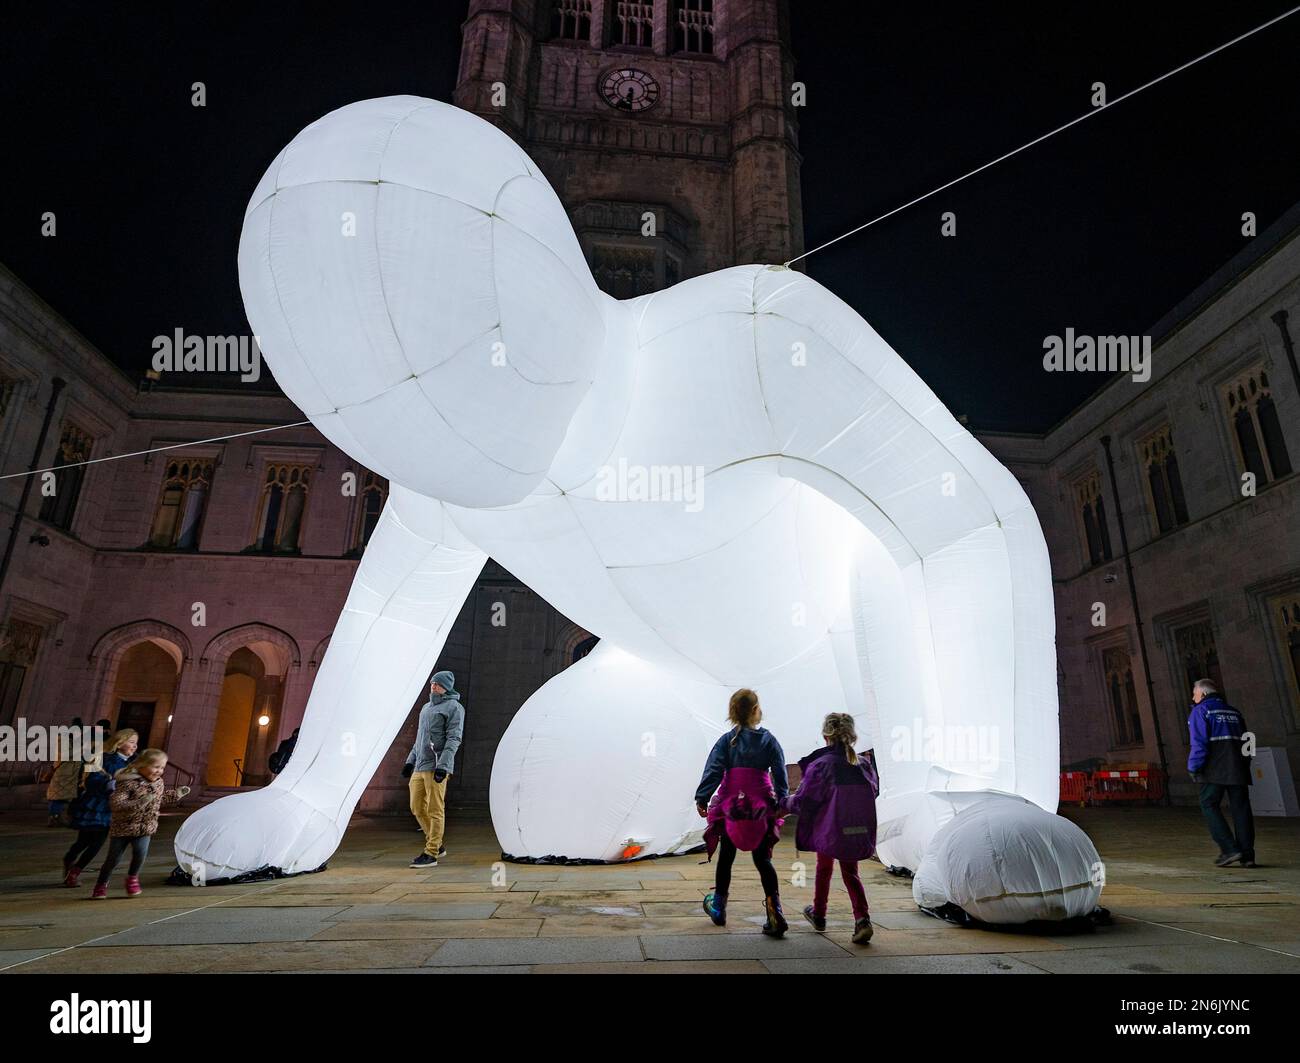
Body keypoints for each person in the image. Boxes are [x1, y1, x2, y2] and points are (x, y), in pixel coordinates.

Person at [695, 688, 789, 937]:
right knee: (763, 861)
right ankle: (774, 910)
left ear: (732, 713)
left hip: (731, 807)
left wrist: (702, 796)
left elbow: (714, 769)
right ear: (757, 711)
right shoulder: (769, 740)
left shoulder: (726, 741)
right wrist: (782, 800)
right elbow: (780, 773)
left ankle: (718, 908)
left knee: (726, 857)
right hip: (760, 807)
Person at [783, 713, 878, 945]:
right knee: (850, 873)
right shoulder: (863, 765)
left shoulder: (822, 765)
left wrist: (781, 804)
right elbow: (873, 791)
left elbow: (804, 800)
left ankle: (819, 913)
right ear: (852, 736)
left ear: (825, 736)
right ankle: (862, 918)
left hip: (829, 828)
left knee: (823, 867)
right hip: (855, 830)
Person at [91, 748, 189, 898]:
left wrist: (176, 794)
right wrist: (140, 802)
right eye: (156, 767)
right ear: (142, 765)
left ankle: (132, 878)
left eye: (162, 767)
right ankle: (101, 884)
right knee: (113, 859)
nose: (159, 771)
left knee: (140, 854)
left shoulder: (158, 783)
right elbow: (117, 804)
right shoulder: (127, 782)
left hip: (145, 827)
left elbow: (158, 799)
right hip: (123, 827)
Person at [1188, 678, 1255, 868]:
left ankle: (1229, 849)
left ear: (1203, 693)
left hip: (1214, 768)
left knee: (1208, 803)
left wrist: (1194, 766)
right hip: (1238, 768)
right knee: (1241, 809)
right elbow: (1249, 741)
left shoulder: (1201, 711)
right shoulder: (1234, 712)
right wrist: (1246, 763)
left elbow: (1199, 742)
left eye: (1194, 693)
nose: (1193, 697)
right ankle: (1248, 855)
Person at [402, 670, 464, 868]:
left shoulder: (454, 707)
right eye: (432, 683)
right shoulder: (426, 708)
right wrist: (409, 762)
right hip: (420, 765)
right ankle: (437, 843)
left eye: (437, 684)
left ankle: (431, 852)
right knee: (416, 806)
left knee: (435, 809)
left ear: (446, 686)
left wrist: (443, 766)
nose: (433, 686)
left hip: (436, 766)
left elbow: (454, 738)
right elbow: (419, 740)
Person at [62, 728, 138, 887]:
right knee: (83, 841)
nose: (134, 746)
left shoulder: (133, 763)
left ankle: (75, 871)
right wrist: (107, 784)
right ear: (119, 743)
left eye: (136, 743)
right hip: (96, 805)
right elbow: (89, 779)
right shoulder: (102, 757)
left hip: (113, 807)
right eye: (131, 742)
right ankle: (69, 859)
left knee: (98, 843)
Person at [45, 716, 84, 825]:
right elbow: (66, 755)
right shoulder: (63, 740)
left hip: (71, 774)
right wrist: (81, 750)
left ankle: (57, 817)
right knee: (57, 797)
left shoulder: (73, 741)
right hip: (64, 773)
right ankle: (53, 818)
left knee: (62, 798)